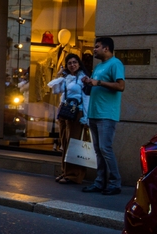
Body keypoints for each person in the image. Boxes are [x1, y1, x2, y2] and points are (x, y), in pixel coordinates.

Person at [81, 37, 125, 195]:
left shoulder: (116, 63)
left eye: (97, 47)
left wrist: (98, 83)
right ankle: (100, 182)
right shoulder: (99, 66)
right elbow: (95, 84)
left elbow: (121, 86)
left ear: (106, 48)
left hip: (107, 114)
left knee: (105, 149)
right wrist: (89, 81)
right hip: (94, 113)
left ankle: (115, 183)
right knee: (98, 150)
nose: (94, 49)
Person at [47, 54, 90, 184]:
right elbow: (55, 90)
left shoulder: (83, 78)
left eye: (74, 62)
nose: (72, 65)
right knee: (65, 143)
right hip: (65, 112)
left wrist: (86, 118)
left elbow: (87, 98)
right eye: (70, 63)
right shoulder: (68, 78)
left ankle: (74, 175)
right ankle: (66, 172)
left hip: (77, 112)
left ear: (79, 64)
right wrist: (60, 75)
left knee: (73, 143)